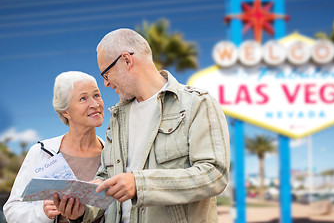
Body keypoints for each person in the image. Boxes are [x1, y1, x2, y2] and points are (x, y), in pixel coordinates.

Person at [62, 28, 230, 223]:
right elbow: (106, 177)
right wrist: (83, 209)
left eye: (106, 74)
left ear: (126, 60)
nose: (106, 84)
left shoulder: (197, 104)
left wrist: (140, 184)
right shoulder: (118, 117)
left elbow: (214, 175)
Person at [3, 71, 105, 223]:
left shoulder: (112, 154)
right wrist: (43, 213)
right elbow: (11, 210)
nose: (95, 104)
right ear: (66, 111)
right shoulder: (41, 152)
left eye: (96, 95)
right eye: (83, 98)